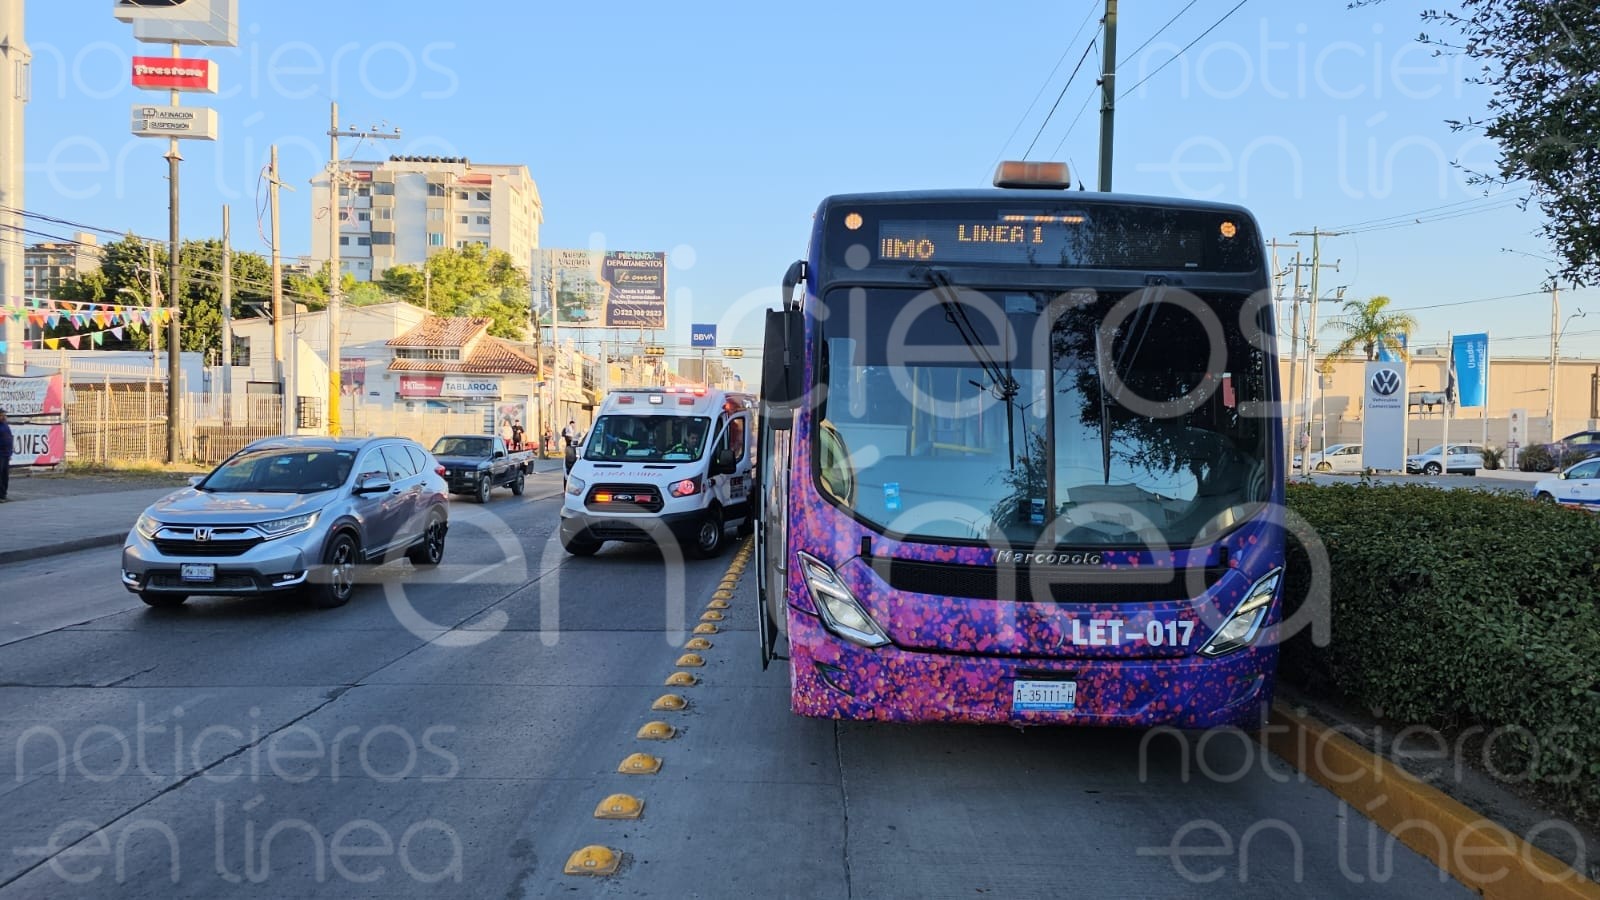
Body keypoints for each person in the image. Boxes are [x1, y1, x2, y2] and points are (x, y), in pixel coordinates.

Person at [0, 408, 11, 502]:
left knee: (5, 476)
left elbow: (9, 438)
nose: (4, 416)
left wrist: (10, 452)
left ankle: (3, 495)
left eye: (4, 415)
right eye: (1, 415)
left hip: (6, 454)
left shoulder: (5, 425)